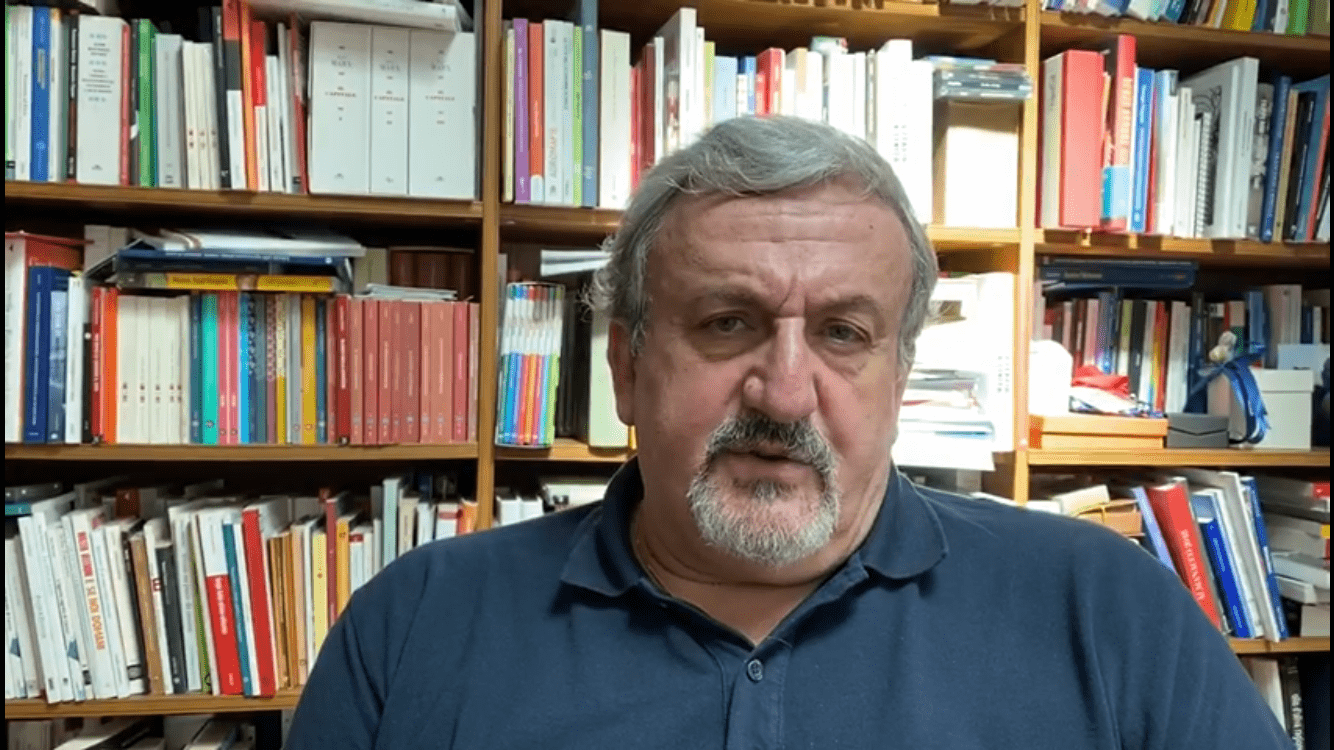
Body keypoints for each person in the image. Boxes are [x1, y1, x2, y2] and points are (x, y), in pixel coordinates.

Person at [287, 117, 1290, 749]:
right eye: (727, 323)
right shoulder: (412, 629)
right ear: (625, 366)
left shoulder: (1107, 612)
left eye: (843, 333)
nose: (784, 391)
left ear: (899, 376)